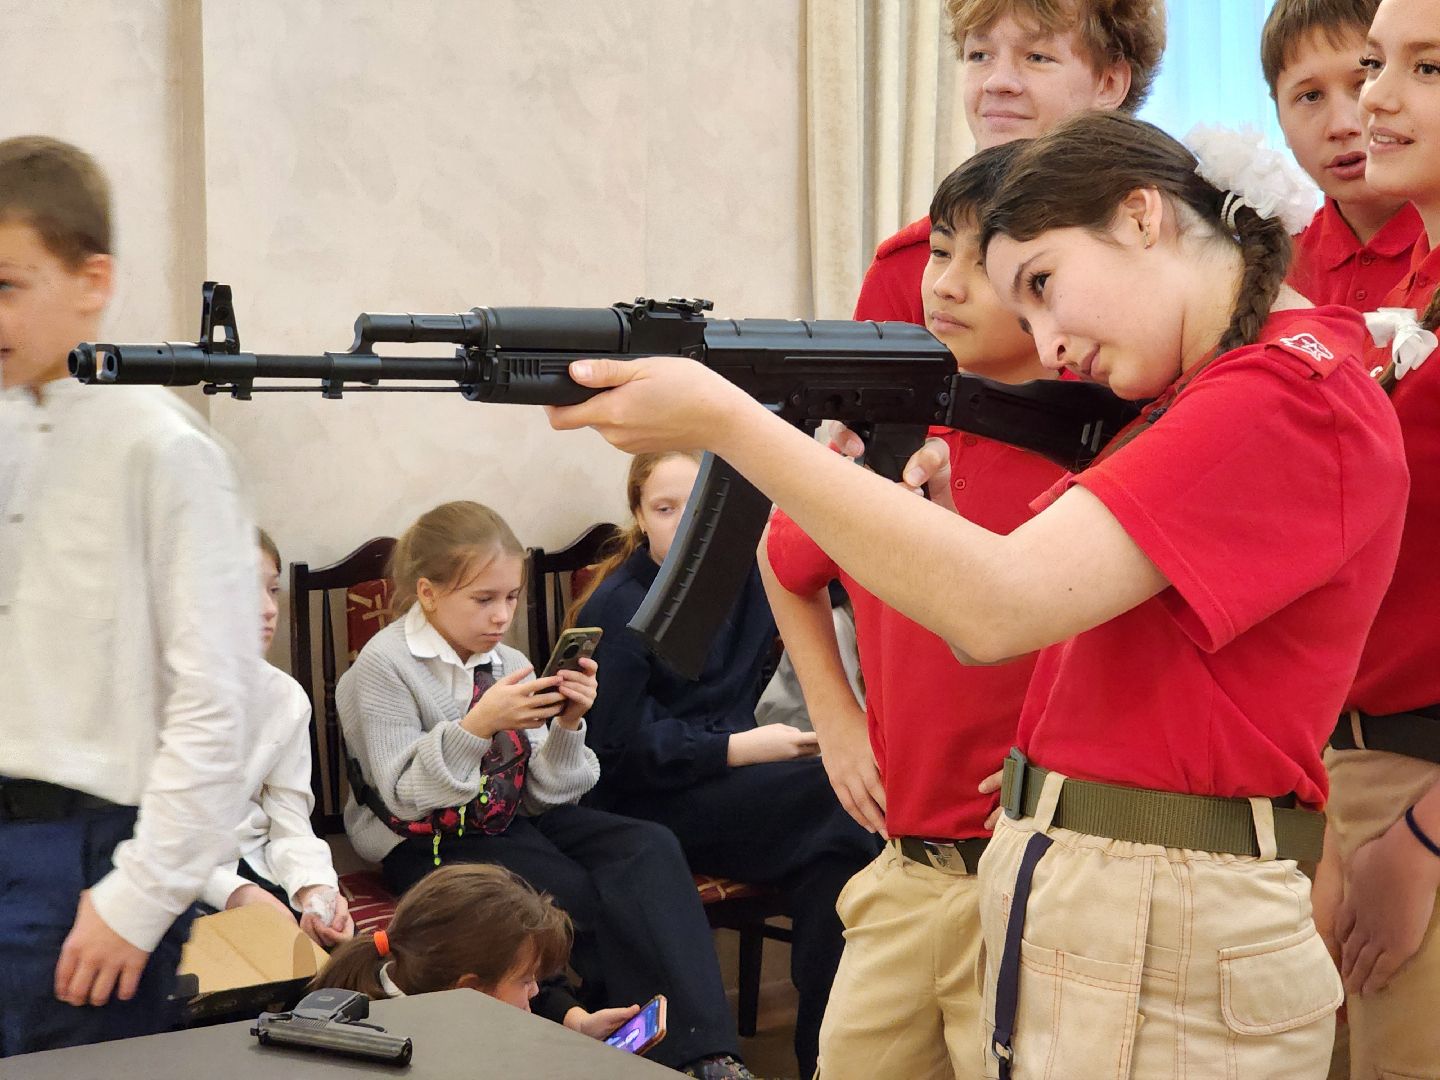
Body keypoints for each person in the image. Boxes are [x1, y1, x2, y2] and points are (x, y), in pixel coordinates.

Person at [547, 111, 1409, 1077]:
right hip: (1111, 899)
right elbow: (1007, 627)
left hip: (1159, 912)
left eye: (1043, 283)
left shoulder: (1279, 393)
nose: (1048, 345)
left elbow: (997, 611)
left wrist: (730, 419)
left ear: (1141, 217)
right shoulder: (1210, 393)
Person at [761, 143, 1063, 1080]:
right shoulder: (894, 449)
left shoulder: (1095, 457)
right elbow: (785, 562)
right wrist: (840, 722)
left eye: (990, 261)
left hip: (1037, 884)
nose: (949, 284)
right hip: (902, 868)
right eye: (939, 251)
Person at [338, 500, 750, 1078]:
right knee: (578, 892)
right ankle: (633, 1053)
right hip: (429, 843)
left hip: (508, 820)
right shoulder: (382, 668)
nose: (501, 616)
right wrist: (479, 724)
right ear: (428, 593)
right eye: (483, 599)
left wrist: (566, 725)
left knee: (648, 847)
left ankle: (707, 1053)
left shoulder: (506, 660)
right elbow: (403, 794)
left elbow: (547, 795)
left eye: (510, 597)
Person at [0, 136, 258, 1054]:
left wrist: (141, 895)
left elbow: (218, 701)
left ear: (92, 280)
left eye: (5, 283)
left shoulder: (165, 451)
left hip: (82, 864)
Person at [571, 450, 880, 1080]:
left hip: (730, 790)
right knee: (839, 801)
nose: (685, 525)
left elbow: (855, 581)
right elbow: (611, 754)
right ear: (637, 515)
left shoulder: (750, 579)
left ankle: (826, 1061)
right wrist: (742, 748)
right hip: (644, 803)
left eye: (700, 509)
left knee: (838, 865)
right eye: (664, 509)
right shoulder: (618, 602)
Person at [1312, 1, 1440, 1076]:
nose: (1376, 100)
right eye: (1373, 65)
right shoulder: (1413, 306)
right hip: (1353, 771)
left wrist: (1428, 833)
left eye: (1429, 68)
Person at [854, 0, 1167, 324]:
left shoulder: (1170, 251)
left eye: (1036, 57)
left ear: (1110, 83)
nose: (996, 81)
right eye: (979, 55)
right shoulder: (907, 267)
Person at [202, 529, 354, 948]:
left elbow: (290, 821)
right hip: (171, 886)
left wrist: (315, 892)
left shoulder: (283, 697)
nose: (269, 610)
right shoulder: (145, 700)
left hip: (254, 866)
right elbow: (136, 835)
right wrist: (236, 895)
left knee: (332, 967)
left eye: (272, 590)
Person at [314, 863, 640, 1040]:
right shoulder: (436, 1052)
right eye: (526, 981)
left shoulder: (399, 967)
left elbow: (521, 988)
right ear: (469, 990)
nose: (536, 989)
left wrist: (577, 1023)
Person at [1263, 0, 1425, 308]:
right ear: (1278, 117)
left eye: (1363, 83)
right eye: (1310, 96)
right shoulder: (1274, 269)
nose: (1341, 126)